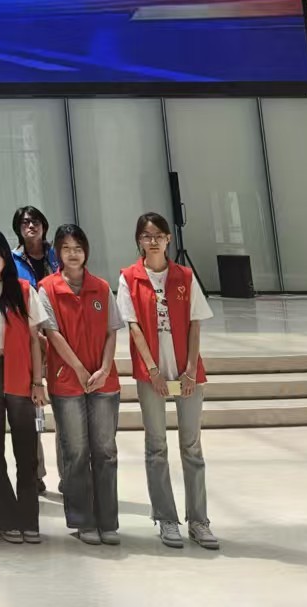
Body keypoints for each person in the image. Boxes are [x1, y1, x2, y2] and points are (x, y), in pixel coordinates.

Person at [119, 212, 218, 551]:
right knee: (156, 446)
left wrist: (190, 370)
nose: (153, 241)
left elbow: (195, 323)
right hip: (152, 375)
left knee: (192, 447)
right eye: (147, 236)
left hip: (187, 374)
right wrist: (152, 371)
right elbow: (133, 327)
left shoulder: (184, 276)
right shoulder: (129, 278)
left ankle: (199, 521)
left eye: (159, 235)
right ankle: (166, 518)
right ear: (139, 240)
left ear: (168, 239)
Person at [37, 224, 123, 546]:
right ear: (57, 252)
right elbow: (52, 333)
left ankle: (108, 521)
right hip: (67, 381)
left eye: (78, 248)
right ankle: (83, 520)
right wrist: (78, 368)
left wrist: (104, 368)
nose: (72, 254)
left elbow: (112, 331)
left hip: (104, 382)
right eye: (66, 248)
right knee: (75, 452)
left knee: (105, 451)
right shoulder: (47, 288)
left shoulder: (101, 287)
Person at [0, 227, 49, 545]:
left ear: (6, 256)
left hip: (19, 372)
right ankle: (7, 519)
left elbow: (34, 341)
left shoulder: (24, 290)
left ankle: (29, 519)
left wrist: (37, 381)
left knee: (26, 450)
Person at [11, 206, 59, 495]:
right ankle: (36, 473)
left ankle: (71, 474)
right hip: (30, 340)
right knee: (33, 414)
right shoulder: (12, 260)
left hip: (62, 340)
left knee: (65, 413)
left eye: (36, 221)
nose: (31, 226)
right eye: (25, 222)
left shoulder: (58, 254)